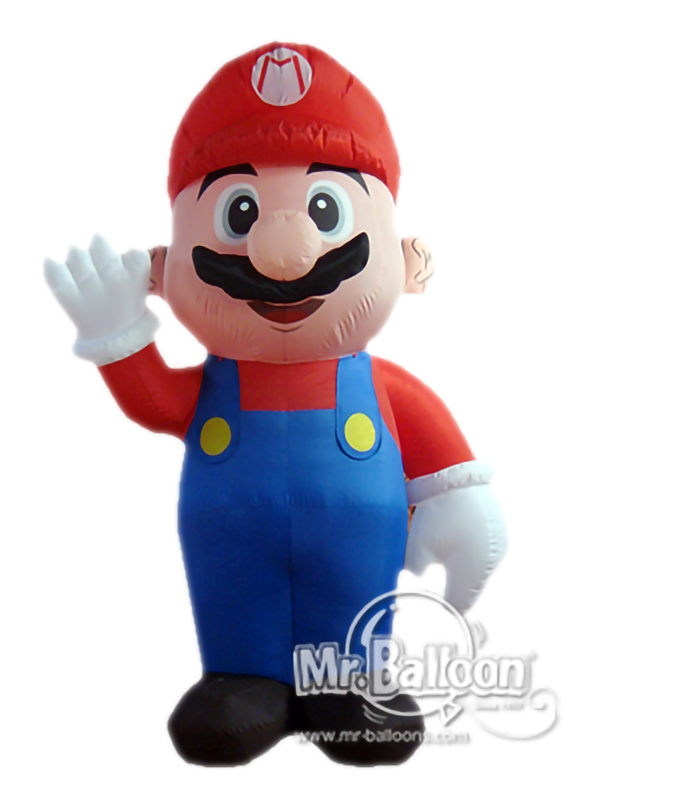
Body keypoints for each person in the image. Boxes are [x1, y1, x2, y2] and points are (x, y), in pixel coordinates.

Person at [44, 42, 507, 766]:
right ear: (165, 266)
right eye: (240, 212)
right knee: (238, 600)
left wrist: (460, 500)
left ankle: (348, 682)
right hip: (231, 541)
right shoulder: (214, 386)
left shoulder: (378, 384)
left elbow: (433, 441)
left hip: (357, 542)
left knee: (350, 607)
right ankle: (244, 679)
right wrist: (117, 338)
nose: (279, 251)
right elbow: (156, 402)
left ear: (404, 257)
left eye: (326, 207)